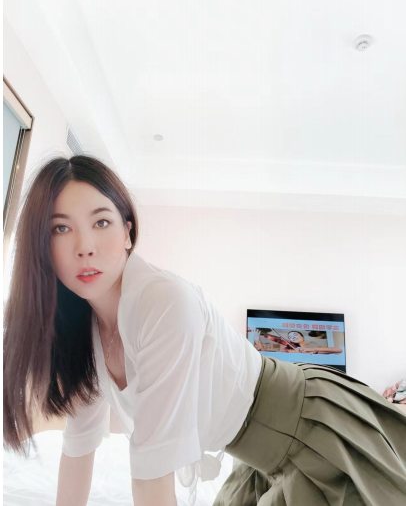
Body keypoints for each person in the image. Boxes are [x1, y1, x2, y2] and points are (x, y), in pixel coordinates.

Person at [3, 155, 406, 506]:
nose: (85, 246)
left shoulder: (163, 301)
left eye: (101, 222)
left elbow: (152, 472)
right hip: (256, 457)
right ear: (42, 246)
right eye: (61, 229)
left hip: (310, 426)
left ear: (127, 232)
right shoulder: (81, 332)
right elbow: (78, 447)